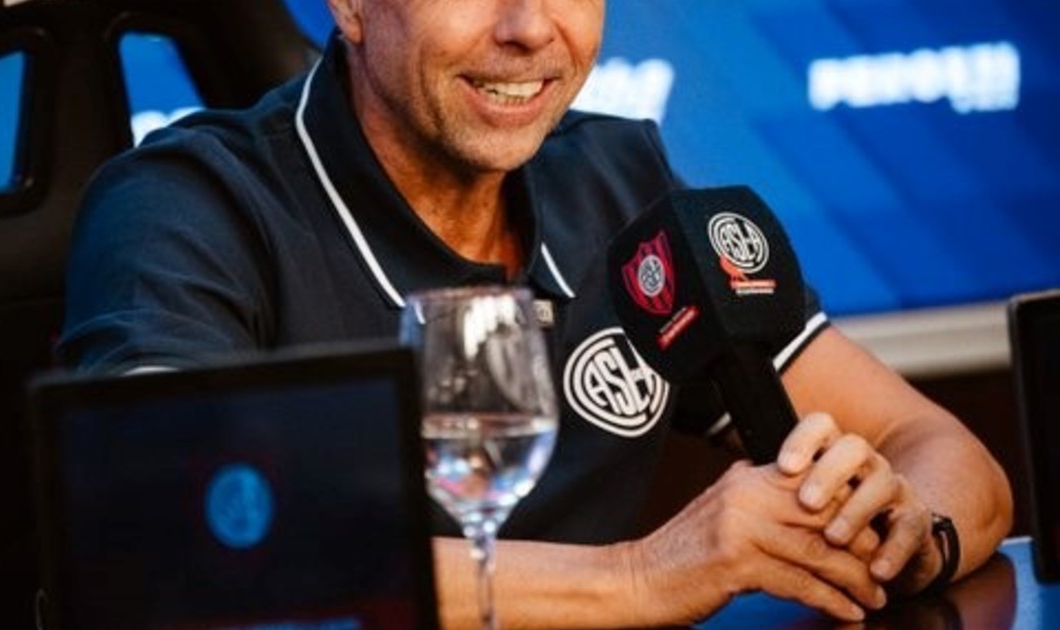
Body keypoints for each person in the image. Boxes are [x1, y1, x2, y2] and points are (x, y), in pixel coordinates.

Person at [58, 0, 1013, 628]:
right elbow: (173, 542)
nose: (529, 28)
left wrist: (909, 535)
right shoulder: (184, 205)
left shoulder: (620, 181)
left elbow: (938, 450)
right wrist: (642, 578)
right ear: (349, 5)